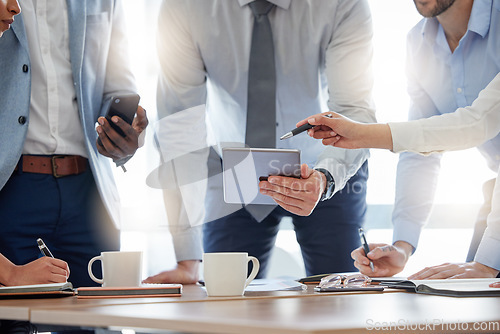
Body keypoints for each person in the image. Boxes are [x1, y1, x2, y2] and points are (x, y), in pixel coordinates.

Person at [146, 0, 376, 282]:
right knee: (225, 305)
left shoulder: (342, 4)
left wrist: (326, 179)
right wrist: (188, 257)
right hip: (233, 170)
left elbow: (353, 110)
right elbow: (179, 127)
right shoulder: (186, 7)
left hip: (327, 165)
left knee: (340, 300)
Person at [299, 0, 500, 280]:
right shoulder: (418, 45)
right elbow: (419, 154)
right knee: (465, 300)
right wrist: (402, 246)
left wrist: (362, 133)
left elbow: (476, 122)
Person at [0, 0, 148, 288]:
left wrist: (125, 133)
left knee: (98, 321)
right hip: (11, 187)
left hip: (89, 194)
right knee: (12, 320)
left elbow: (119, 84)